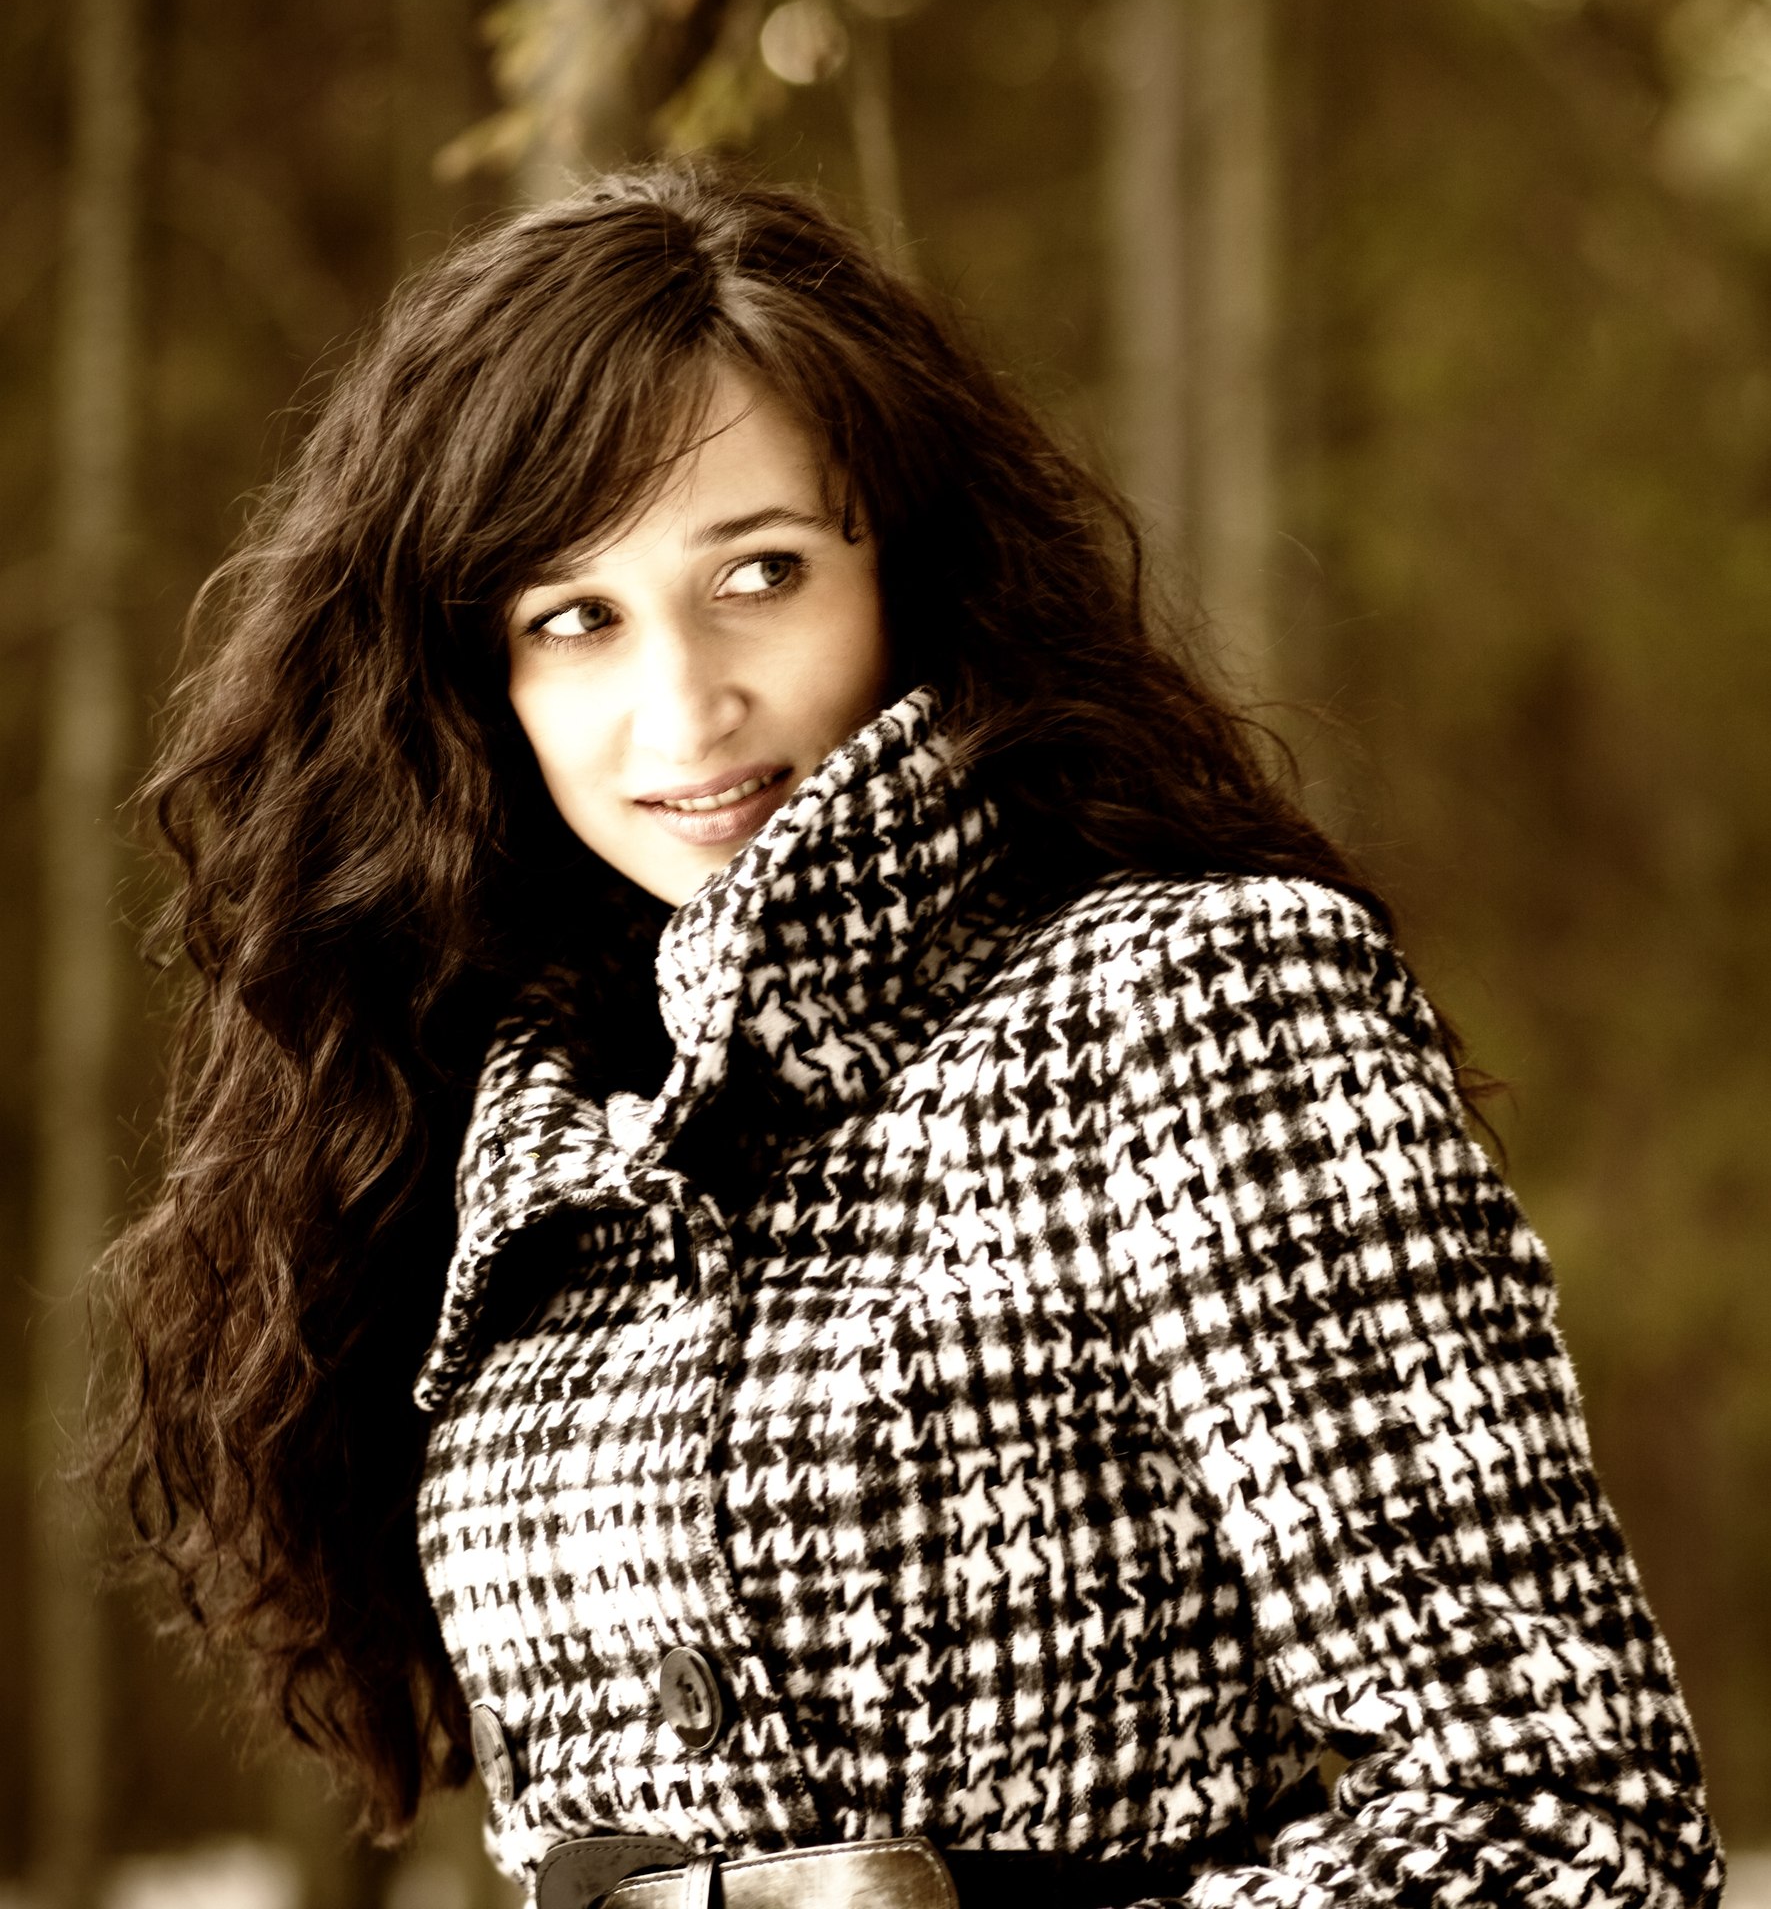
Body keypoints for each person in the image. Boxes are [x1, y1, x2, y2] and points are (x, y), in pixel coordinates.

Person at [102, 160, 1723, 1909]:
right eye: (575, 619)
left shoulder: (1193, 1002)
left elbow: (1569, 1820)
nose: (684, 707)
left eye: (762, 573)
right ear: (478, 686)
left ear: (913, 579)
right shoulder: (512, 1111)